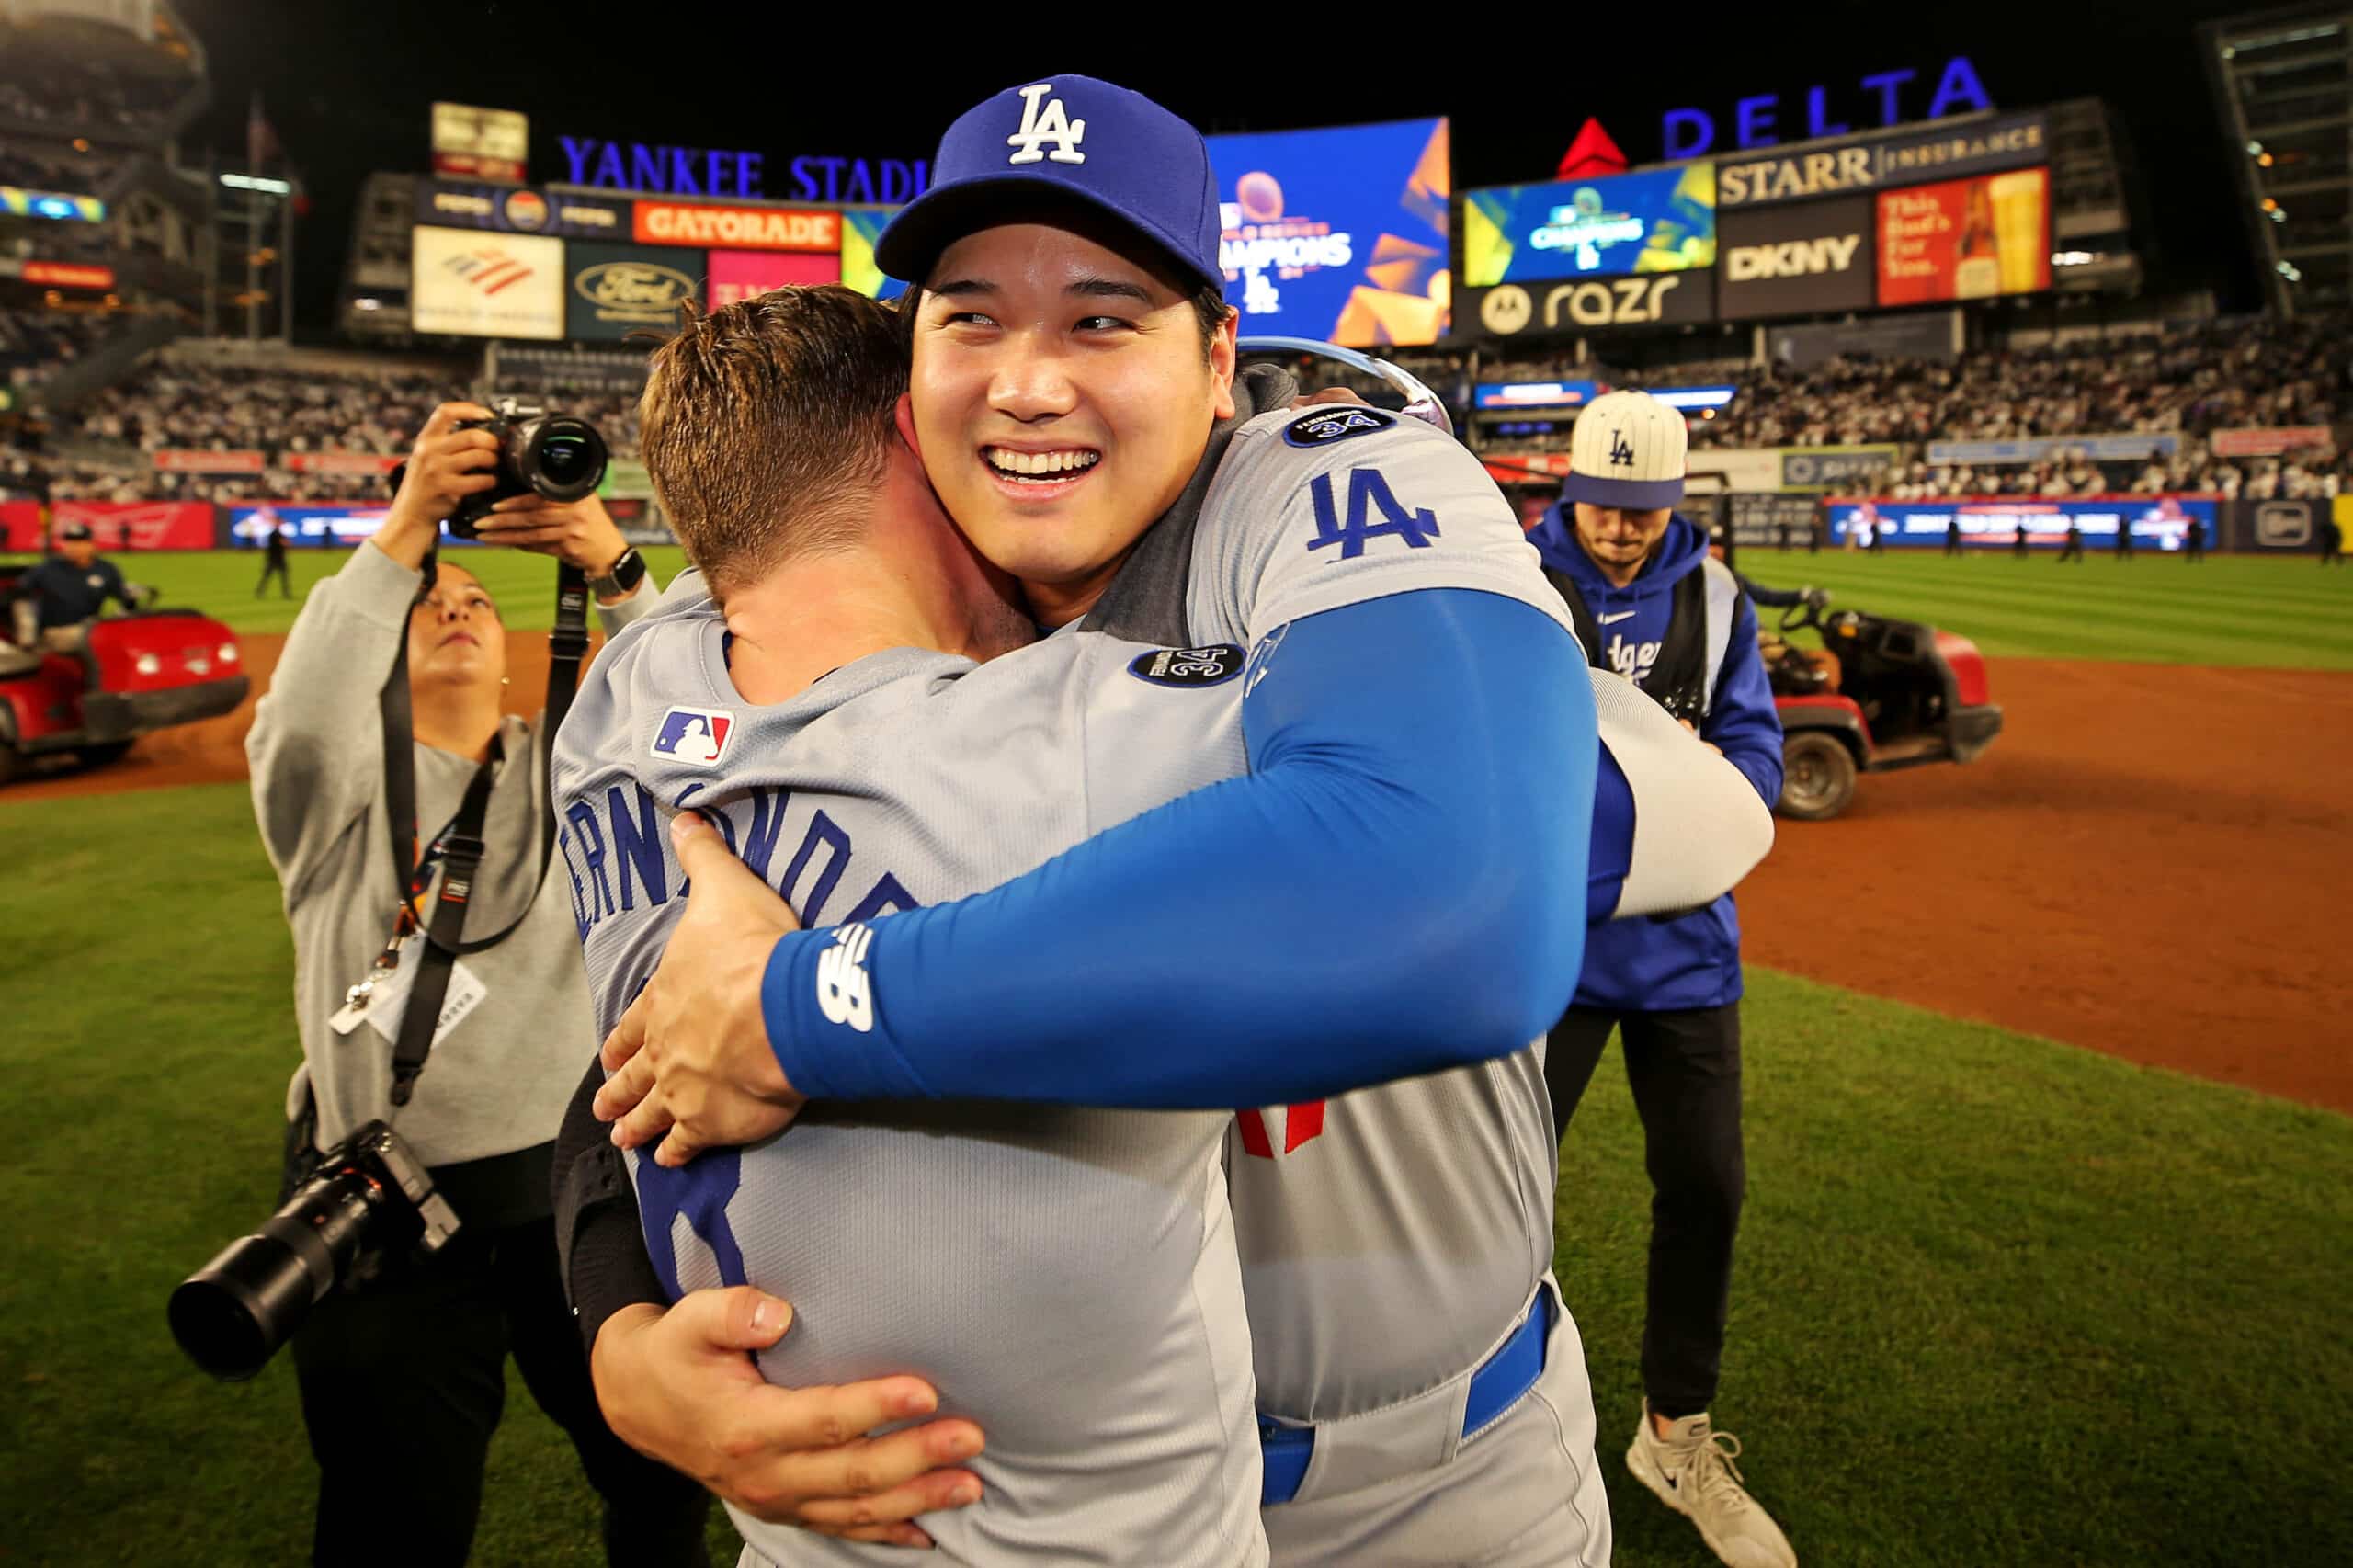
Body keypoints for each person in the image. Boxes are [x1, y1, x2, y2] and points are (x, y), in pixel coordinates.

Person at [568, 76, 1770, 1568]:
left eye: (1101, 315)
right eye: (972, 317)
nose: (1028, 380)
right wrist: (621, 1329)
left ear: (1221, 367)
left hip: (1418, 1486)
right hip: (969, 1507)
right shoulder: (802, 644)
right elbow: (652, 1018)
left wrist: (803, 1000)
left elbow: (1475, 893)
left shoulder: (1319, 541)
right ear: (908, 394)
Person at [244, 402, 709, 1568]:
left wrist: (612, 563)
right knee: (393, 1525)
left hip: (574, 1196)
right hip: (381, 1213)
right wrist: (407, 522)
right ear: (382, 653)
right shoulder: (335, 807)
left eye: (477, 599)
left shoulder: (581, 770)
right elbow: (301, 729)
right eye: (428, 603)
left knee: (661, 1488)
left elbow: (709, 734)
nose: (456, 606)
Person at [1526, 390, 1798, 1568]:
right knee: (1497, 1193)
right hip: (1552, 947)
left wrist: (1703, 773)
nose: (1621, 532)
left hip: (1688, 952)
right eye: (1601, 508)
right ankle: (1499, 1409)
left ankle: (1672, 1427)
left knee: (1706, 1188)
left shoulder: (1720, 597)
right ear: (1568, 489)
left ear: (1672, 502)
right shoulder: (1511, 576)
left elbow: (1762, 760)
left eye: (1642, 513)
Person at [6, 519, 138, 685]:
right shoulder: (48, 568)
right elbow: (18, 592)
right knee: (92, 643)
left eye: (80, 542)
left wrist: (131, 601)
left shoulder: (106, 569)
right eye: (69, 542)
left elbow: (124, 599)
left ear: (92, 545)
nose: (74, 547)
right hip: (56, 632)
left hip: (91, 629)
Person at [257, 522, 291, 598]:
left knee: (272, 577)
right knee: (282, 577)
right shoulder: (276, 534)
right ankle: (286, 594)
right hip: (275, 559)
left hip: (275, 558)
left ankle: (259, 592)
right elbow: (285, 543)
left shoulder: (275, 534)